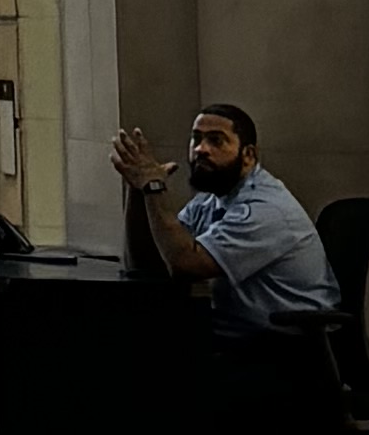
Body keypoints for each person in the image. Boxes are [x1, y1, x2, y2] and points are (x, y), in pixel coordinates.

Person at [111, 100, 341, 354]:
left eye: (216, 141)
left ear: (248, 155)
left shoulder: (265, 208)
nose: (201, 149)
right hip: (236, 340)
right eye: (196, 139)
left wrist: (154, 187)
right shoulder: (210, 200)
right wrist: (137, 189)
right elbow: (149, 264)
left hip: (287, 350)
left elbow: (185, 265)